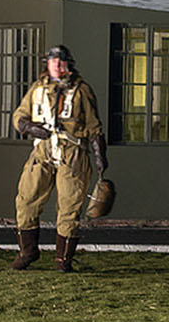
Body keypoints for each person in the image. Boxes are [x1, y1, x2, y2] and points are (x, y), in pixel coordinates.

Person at [8, 45, 107, 272]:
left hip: (72, 152)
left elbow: (94, 128)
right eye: (53, 62)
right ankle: (28, 251)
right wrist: (30, 127)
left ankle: (63, 260)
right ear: (47, 64)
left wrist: (100, 157)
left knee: (69, 206)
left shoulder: (82, 91)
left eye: (61, 62)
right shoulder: (38, 88)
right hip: (42, 150)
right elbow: (19, 116)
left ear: (69, 66)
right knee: (26, 199)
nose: (57, 66)